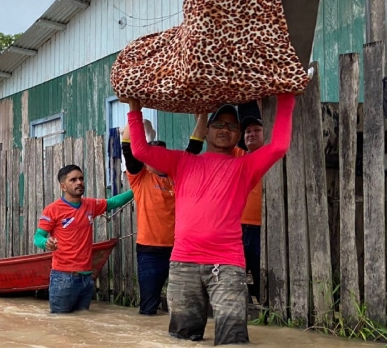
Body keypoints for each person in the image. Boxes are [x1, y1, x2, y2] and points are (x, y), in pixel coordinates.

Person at [121, 93, 294, 345]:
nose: (225, 129)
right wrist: (134, 108)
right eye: (219, 124)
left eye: (232, 126)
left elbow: (278, 146)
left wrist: (288, 99)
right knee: (182, 340)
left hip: (227, 266)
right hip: (183, 264)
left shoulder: (245, 166)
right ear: (208, 129)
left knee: (232, 340)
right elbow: (140, 150)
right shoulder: (182, 161)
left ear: (238, 135)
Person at [121, 115, 207, 316]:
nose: (157, 160)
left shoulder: (180, 173)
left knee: (186, 307)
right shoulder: (139, 176)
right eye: (152, 156)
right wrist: (136, 112)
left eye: (162, 156)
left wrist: (203, 115)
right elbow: (126, 142)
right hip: (149, 252)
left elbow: (195, 145)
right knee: (148, 309)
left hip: (181, 250)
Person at [33, 165, 134, 313]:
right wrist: (46, 243)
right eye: (73, 180)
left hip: (87, 278)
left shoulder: (91, 205)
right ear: (63, 186)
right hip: (63, 278)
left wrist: (137, 188)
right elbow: (38, 237)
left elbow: (113, 202)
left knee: (82, 323)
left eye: (81, 178)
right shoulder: (53, 209)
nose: (79, 182)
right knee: (60, 326)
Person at [236, 106, 265, 304]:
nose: (251, 134)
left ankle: (265, 309)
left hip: (263, 227)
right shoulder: (238, 157)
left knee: (262, 271)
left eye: (257, 130)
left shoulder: (272, 156)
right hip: (238, 227)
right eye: (247, 131)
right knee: (236, 273)